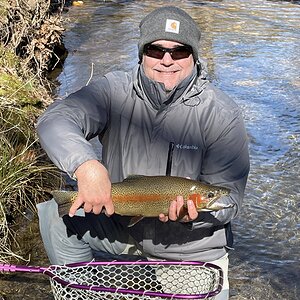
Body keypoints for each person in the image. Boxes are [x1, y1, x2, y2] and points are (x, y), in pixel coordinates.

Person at [36, 6, 250, 299]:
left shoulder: (222, 115)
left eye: (179, 52)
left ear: (193, 56)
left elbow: (230, 202)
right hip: (123, 225)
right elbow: (54, 120)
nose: (166, 60)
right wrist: (86, 165)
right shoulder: (114, 92)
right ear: (142, 54)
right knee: (57, 214)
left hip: (189, 253)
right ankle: (84, 290)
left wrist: (193, 217)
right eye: (155, 49)